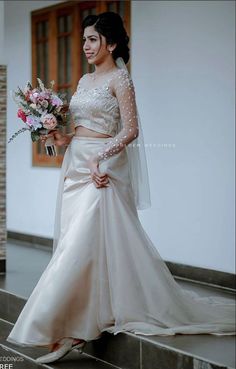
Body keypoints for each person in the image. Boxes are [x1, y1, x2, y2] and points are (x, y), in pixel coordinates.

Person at [6, 11, 235, 364]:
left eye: (93, 39)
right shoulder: (83, 82)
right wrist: (59, 136)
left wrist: (101, 159)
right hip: (76, 165)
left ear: (111, 43)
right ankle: (78, 322)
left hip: (103, 168)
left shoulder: (120, 80)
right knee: (77, 246)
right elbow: (80, 129)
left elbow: (130, 131)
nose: (85, 45)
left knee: (77, 248)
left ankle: (66, 331)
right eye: (84, 39)